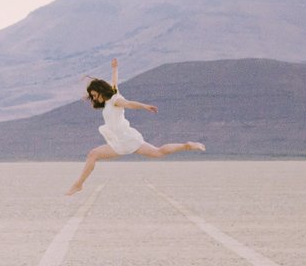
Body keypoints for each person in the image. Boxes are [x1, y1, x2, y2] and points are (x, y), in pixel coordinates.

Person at [66, 57, 204, 195]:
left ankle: (78, 184)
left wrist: (144, 106)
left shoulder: (115, 100)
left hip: (122, 140)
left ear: (101, 91)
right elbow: (114, 82)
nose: (94, 98)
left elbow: (128, 104)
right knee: (158, 152)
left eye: (95, 95)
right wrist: (114, 68)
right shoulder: (113, 95)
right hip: (127, 138)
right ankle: (186, 146)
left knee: (93, 154)